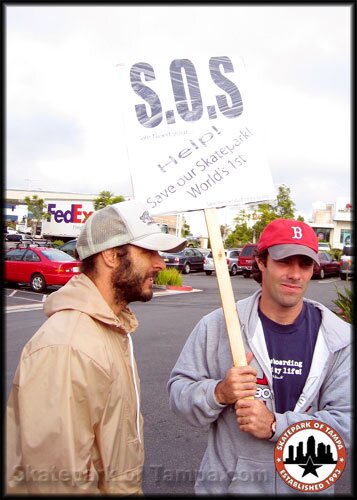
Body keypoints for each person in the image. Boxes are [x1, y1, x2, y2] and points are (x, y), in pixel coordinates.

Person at [6, 199, 187, 495]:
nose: (160, 264)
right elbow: (59, 483)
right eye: (149, 251)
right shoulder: (67, 347)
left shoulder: (109, 329)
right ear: (112, 256)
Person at [168, 219, 351, 495]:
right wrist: (218, 392)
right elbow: (179, 395)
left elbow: (346, 423)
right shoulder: (219, 325)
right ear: (261, 262)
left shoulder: (339, 338)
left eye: (304, 264)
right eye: (284, 261)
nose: (295, 274)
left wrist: (276, 426)